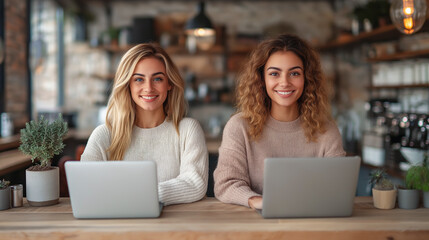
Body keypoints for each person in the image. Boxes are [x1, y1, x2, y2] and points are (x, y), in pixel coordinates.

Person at [213, 34, 346, 210]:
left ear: (307, 79)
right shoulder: (239, 126)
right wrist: (256, 201)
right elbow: (226, 184)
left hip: (312, 221)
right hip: (255, 224)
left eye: (294, 73)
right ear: (262, 79)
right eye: (274, 73)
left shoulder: (326, 129)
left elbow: (338, 187)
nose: (284, 82)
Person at [80, 43, 208, 206]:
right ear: (128, 84)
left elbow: (195, 184)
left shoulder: (187, 130)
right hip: (118, 225)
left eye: (157, 79)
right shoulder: (104, 135)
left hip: (173, 227)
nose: (148, 88)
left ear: (169, 83)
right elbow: (86, 187)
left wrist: (136, 194)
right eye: (139, 79)